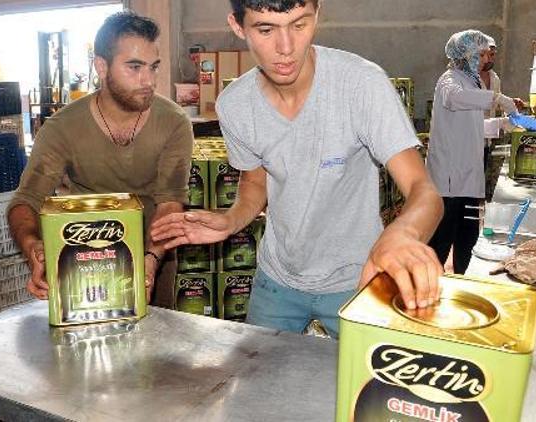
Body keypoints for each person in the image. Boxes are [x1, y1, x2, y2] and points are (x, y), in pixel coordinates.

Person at [150, 0, 444, 338]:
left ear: (317, 14)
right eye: (265, 29)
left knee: (360, 385)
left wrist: (402, 234)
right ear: (237, 25)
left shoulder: (361, 84)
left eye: (300, 25)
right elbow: (255, 183)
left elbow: (425, 190)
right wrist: (229, 220)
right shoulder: (235, 104)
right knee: (261, 381)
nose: (286, 48)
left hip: (357, 280)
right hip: (277, 281)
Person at [8, 11, 194, 307]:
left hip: (153, 254)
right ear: (101, 67)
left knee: (156, 346)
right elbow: (26, 200)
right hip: (83, 258)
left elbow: (170, 204)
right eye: (134, 67)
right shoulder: (62, 127)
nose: (148, 80)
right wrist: (33, 248)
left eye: (153, 67)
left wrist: (149, 260)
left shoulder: (174, 123)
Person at [427, 30, 536, 275]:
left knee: (467, 239)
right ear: (465, 55)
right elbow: (454, 99)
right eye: (480, 54)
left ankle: (461, 282)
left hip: (466, 179)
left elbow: (471, 128)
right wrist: (498, 98)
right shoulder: (450, 80)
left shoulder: (472, 81)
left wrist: (506, 123)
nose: (485, 58)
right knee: (441, 242)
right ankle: (430, 289)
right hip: (449, 181)